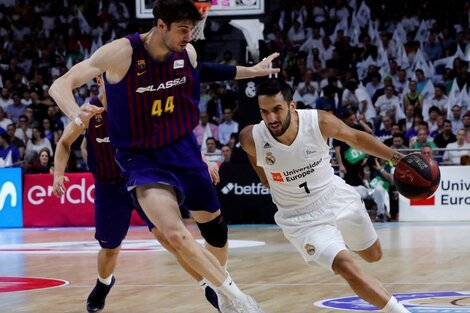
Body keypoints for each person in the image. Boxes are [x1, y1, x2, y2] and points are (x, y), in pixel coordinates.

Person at [49, 1, 279, 312]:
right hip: (140, 159)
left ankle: (218, 286)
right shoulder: (122, 52)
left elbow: (209, 71)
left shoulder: (188, 53)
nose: (189, 36)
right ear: (161, 26)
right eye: (183, 30)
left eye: (192, 30)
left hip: (182, 150)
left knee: (215, 233)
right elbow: (60, 85)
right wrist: (77, 115)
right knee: (174, 234)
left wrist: (253, 70)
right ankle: (240, 301)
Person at [239, 79, 410, 313]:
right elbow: (263, 174)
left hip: (336, 197)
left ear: (292, 106)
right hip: (301, 219)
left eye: (277, 109)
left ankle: (341, 236)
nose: (271, 119)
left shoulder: (318, 121)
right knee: (346, 266)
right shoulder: (251, 137)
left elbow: (355, 138)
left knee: (373, 256)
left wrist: (396, 157)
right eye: (264, 112)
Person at [52, 77, 222, 312]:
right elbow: (64, 143)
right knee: (110, 249)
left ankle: (209, 286)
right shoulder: (89, 111)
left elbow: (173, 133)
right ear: (100, 79)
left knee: (170, 238)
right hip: (108, 187)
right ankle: (104, 282)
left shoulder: (136, 104)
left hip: (140, 178)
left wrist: (202, 160)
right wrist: (58, 174)